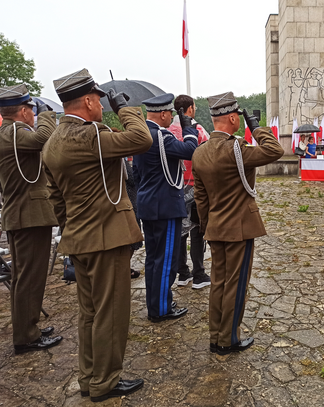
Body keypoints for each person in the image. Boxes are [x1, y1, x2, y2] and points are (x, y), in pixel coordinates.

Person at [42, 68, 152, 402]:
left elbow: (55, 199)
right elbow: (141, 139)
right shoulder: (89, 137)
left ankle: (90, 376)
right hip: (107, 239)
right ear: (88, 101)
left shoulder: (52, 143)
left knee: (89, 313)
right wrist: (126, 109)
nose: (102, 107)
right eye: (100, 102)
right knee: (111, 313)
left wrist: (74, 225)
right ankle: (105, 381)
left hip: (79, 237)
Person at [192, 91, 284, 356]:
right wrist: (256, 127)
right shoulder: (237, 150)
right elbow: (275, 150)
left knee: (219, 283)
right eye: (240, 118)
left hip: (215, 228)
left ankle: (215, 335)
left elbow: (201, 199)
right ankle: (228, 339)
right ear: (233, 117)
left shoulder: (200, 153)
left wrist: (208, 226)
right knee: (235, 284)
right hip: (239, 228)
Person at [0, 84, 63, 355]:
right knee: (29, 278)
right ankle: (26, 336)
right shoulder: (14, 132)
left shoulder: (9, 133)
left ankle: (29, 327)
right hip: (28, 215)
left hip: (22, 214)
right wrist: (48, 116)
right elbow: (42, 140)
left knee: (24, 277)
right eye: (33, 112)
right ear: (24, 111)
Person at [133, 94, 198, 323]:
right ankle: (160, 309)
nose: (172, 116)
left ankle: (156, 303)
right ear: (162, 113)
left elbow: (137, 174)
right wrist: (188, 125)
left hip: (148, 205)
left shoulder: (140, 135)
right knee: (166, 260)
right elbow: (190, 149)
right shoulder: (161, 137)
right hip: (166, 206)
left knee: (153, 259)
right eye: (170, 113)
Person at [169, 94, 211, 290]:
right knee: (196, 230)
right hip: (195, 187)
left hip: (174, 188)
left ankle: (182, 272)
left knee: (179, 231)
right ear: (191, 109)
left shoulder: (168, 130)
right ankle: (199, 273)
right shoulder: (198, 131)